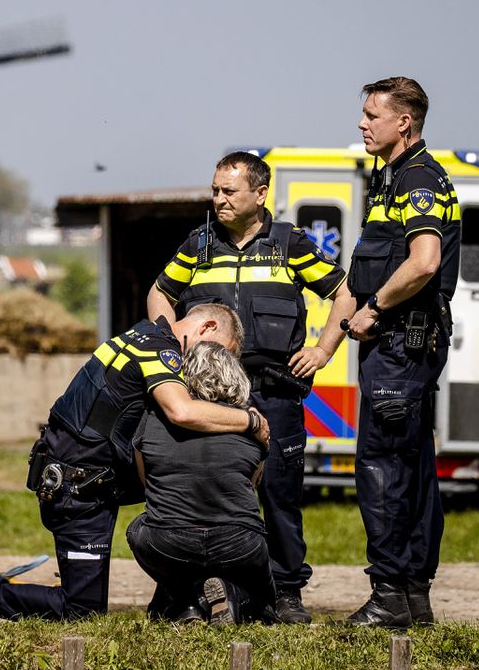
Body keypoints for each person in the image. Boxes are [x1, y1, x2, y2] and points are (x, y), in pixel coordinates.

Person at [0, 302, 267, 620]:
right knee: (81, 611)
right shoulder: (161, 349)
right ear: (206, 328)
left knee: (182, 501)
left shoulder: (144, 334)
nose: (216, 362)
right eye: (222, 351)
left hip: (88, 479)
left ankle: (180, 602)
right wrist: (251, 422)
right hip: (78, 490)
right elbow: (182, 411)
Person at [146, 151, 351, 624]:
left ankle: (286, 594)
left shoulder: (290, 245)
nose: (217, 199)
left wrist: (323, 351)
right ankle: (200, 592)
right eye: (215, 190)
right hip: (211, 398)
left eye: (228, 191)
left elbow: (344, 294)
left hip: (275, 393)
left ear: (260, 195)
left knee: (280, 494)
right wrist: (169, 340)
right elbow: (161, 292)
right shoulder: (197, 245)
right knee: (204, 491)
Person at [335, 76, 460, 628]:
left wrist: (376, 308)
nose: (362, 123)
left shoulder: (417, 179)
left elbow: (425, 260)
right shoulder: (388, 182)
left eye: (372, 115)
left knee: (382, 469)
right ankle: (411, 597)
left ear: (403, 122)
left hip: (400, 348)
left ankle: (389, 596)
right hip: (400, 350)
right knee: (410, 469)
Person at [127, 341, 277, 625]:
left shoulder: (152, 419)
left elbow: (147, 482)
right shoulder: (253, 425)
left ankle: (187, 600)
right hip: (240, 542)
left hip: (167, 540)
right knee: (264, 600)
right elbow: (253, 483)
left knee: (137, 531)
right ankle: (230, 595)